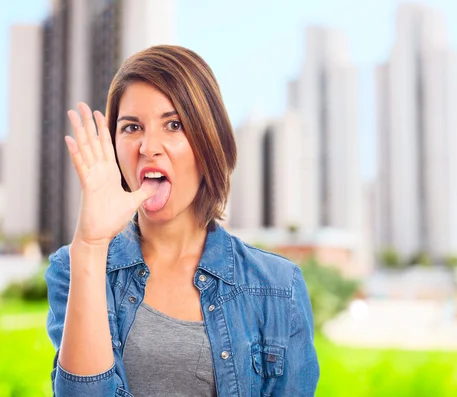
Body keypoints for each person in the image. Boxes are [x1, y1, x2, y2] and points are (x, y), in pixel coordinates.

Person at [45, 45, 319, 397]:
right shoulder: (75, 267)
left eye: (173, 124)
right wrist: (92, 246)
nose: (148, 147)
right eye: (131, 127)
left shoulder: (278, 287)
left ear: (208, 140)